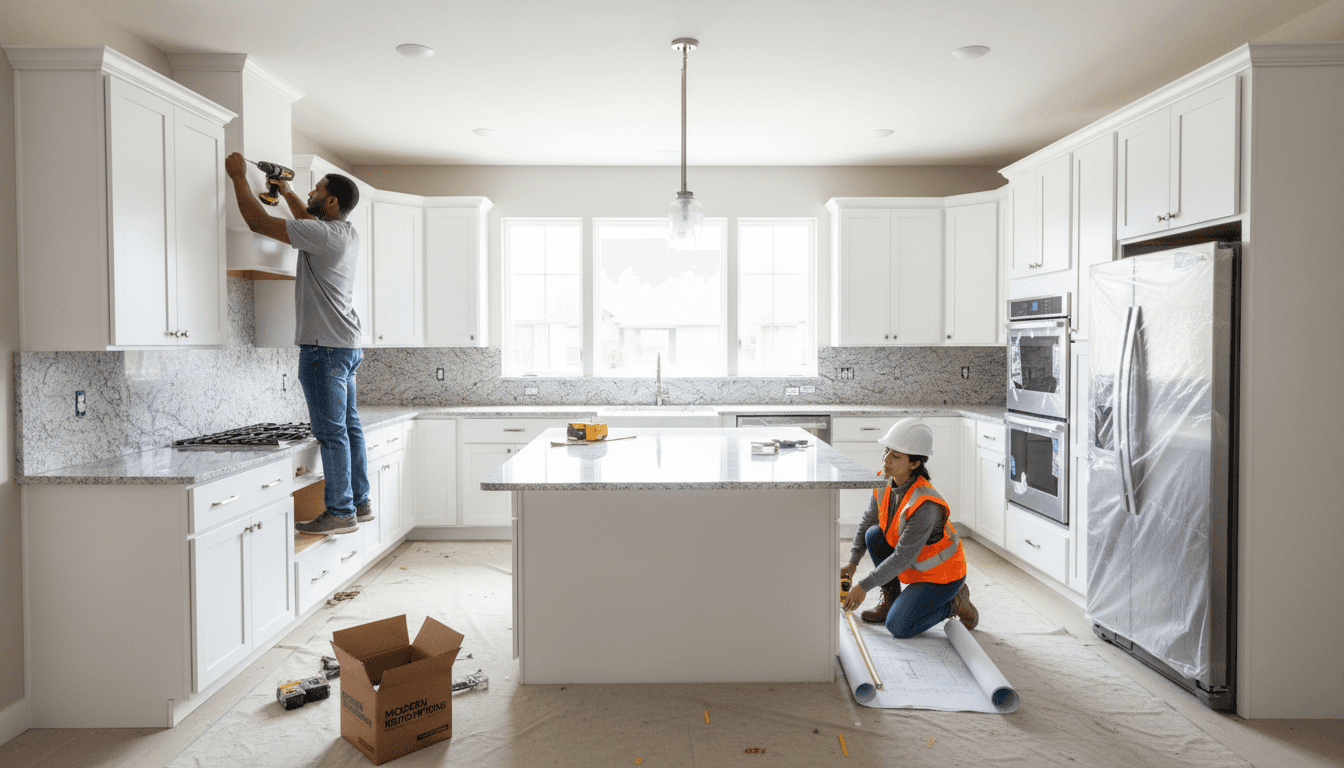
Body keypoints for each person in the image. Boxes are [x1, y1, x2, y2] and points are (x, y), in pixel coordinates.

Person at [224, 153, 371, 535]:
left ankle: (341, 512)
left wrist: (237, 177)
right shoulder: (345, 234)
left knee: (332, 434)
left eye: (317, 190)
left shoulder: (321, 235)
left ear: (332, 201)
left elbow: (257, 222)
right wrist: (286, 191)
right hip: (346, 346)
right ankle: (359, 501)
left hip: (323, 349)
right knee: (349, 428)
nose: (310, 193)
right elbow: (308, 221)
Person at [840, 419, 979, 637]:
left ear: (914, 464)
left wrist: (864, 586)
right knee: (873, 534)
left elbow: (902, 557)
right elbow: (868, 519)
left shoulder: (925, 505)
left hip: (941, 576)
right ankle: (890, 599)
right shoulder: (885, 481)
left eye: (896, 456)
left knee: (899, 626)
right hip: (914, 566)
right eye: (887, 450)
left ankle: (955, 603)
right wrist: (852, 562)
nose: (886, 459)